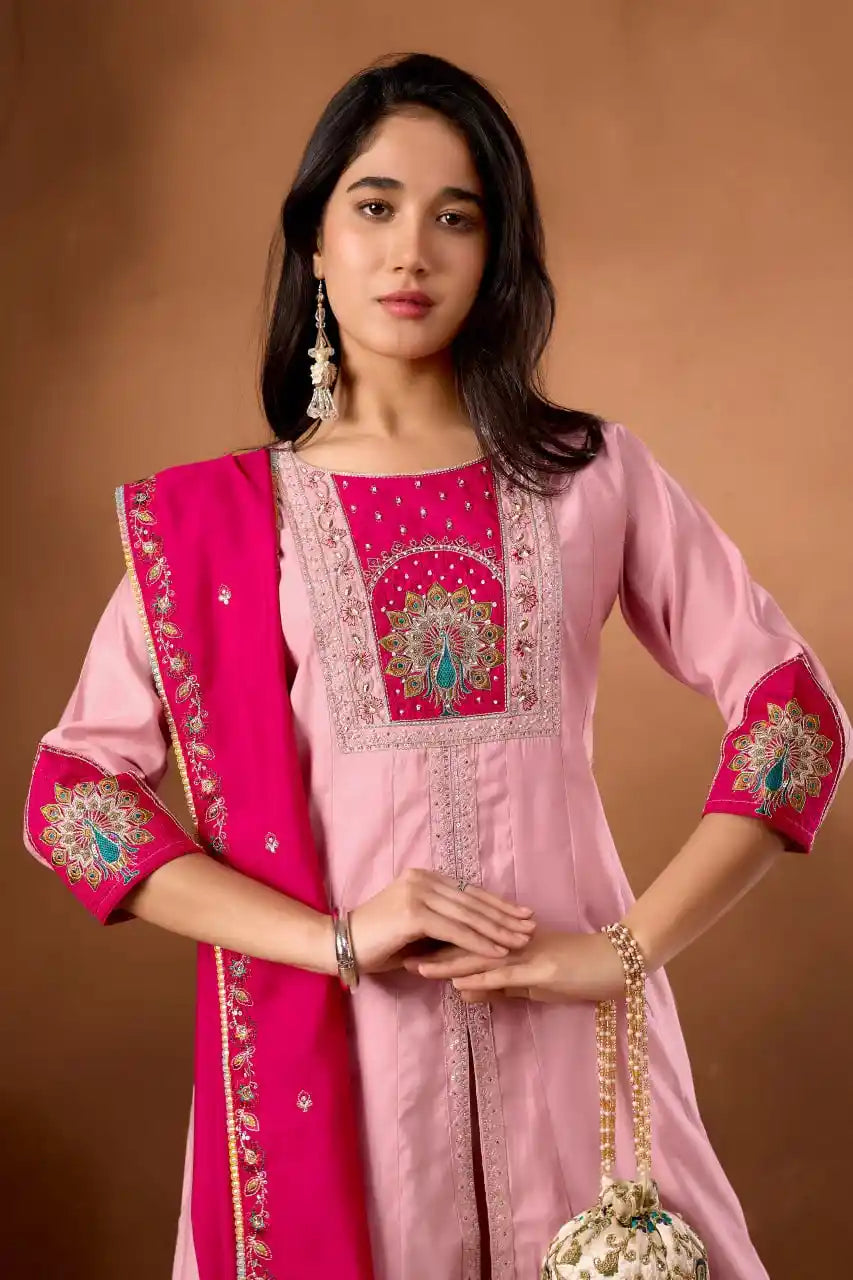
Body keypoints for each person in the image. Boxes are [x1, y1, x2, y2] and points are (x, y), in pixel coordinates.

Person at [23, 51, 849, 1280]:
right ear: (313, 240)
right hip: (342, 1080)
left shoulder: (589, 476)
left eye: (456, 216)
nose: (412, 250)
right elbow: (75, 801)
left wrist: (620, 950)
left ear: (496, 252)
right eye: (375, 206)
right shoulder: (231, 524)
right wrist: (338, 940)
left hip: (587, 1065)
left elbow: (793, 717)